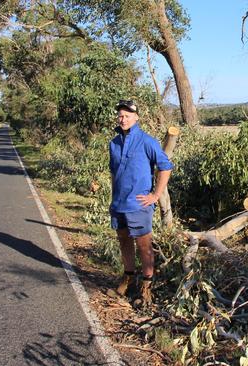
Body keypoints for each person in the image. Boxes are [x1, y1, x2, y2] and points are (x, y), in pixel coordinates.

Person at [106, 99, 173, 306]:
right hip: (119, 204)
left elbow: (166, 167)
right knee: (124, 240)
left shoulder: (147, 141)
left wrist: (155, 195)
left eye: (127, 115)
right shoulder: (114, 143)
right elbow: (114, 172)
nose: (123, 118)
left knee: (144, 245)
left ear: (136, 118)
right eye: (120, 115)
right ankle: (128, 278)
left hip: (139, 205)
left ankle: (146, 287)